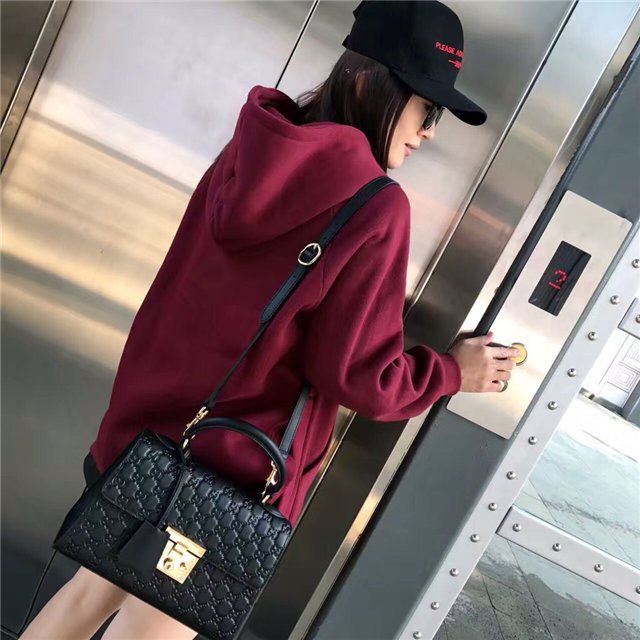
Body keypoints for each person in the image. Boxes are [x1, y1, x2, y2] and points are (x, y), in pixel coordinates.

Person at [20, 2, 520, 639]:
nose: (428, 133)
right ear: (368, 85)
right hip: (230, 473)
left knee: (83, 599)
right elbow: (360, 375)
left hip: (146, 439)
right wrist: (452, 372)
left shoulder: (252, 147)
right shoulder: (375, 206)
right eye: (426, 109)